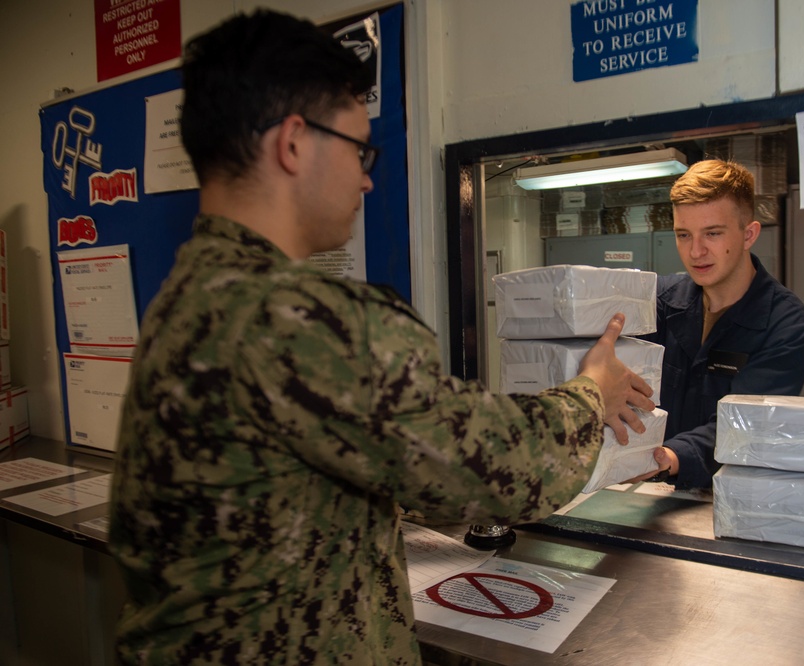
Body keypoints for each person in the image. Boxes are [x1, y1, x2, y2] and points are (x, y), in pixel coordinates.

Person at [107, 10, 654, 665]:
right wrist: (593, 390)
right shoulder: (300, 317)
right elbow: (501, 468)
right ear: (293, 143)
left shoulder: (188, 297)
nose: (367, 177)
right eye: (359, 150)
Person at [637, 159, 804, 489]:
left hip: (729, 497)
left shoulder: (787, 327)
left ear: (749, 234)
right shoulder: (656, 302)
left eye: (713, 234)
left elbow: (744, 427)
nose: (695, 251)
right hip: (646, 491)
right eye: (683, 234)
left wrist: (670, 458)